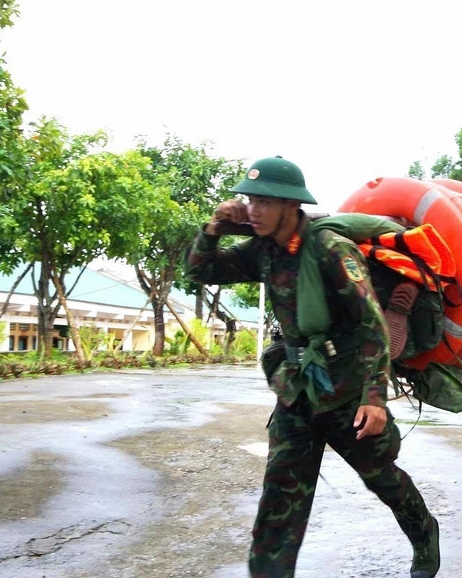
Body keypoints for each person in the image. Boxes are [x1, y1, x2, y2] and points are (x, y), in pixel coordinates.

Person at [184, 157, 439, 578]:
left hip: (346, 392)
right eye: (250, 200)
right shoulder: (263, 250)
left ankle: (424, 533)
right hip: (298, 390)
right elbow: (200, 271)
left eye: (265, 202)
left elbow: (373, 324)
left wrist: (374, 399)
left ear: (291, 204)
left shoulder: (330, 249)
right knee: (279, 498)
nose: (254, 210)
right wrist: (213, 229)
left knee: (382, 478)